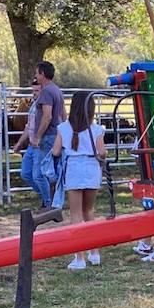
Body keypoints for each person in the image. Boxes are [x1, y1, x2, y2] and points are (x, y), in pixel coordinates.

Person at [53, 91, 108, 270]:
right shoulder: (97, 129)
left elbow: (55, 152)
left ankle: (79, 257)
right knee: (89, 211)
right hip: (92, 169)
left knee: (75, 214)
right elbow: (102, 152)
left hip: (74, 169)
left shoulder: (63, 128)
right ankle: (95, 253)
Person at [13, 61, 66, 209]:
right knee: (34, 173)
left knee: (40, 173)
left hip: (47, 137)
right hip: (50, 136)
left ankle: (50, 204)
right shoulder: (56, 90)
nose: (36, 76)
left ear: (42, 74)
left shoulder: (48, 91)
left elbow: (47, 117)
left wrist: (37, 136)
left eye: (37, 73)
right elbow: (62, 114)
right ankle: (49, 199)